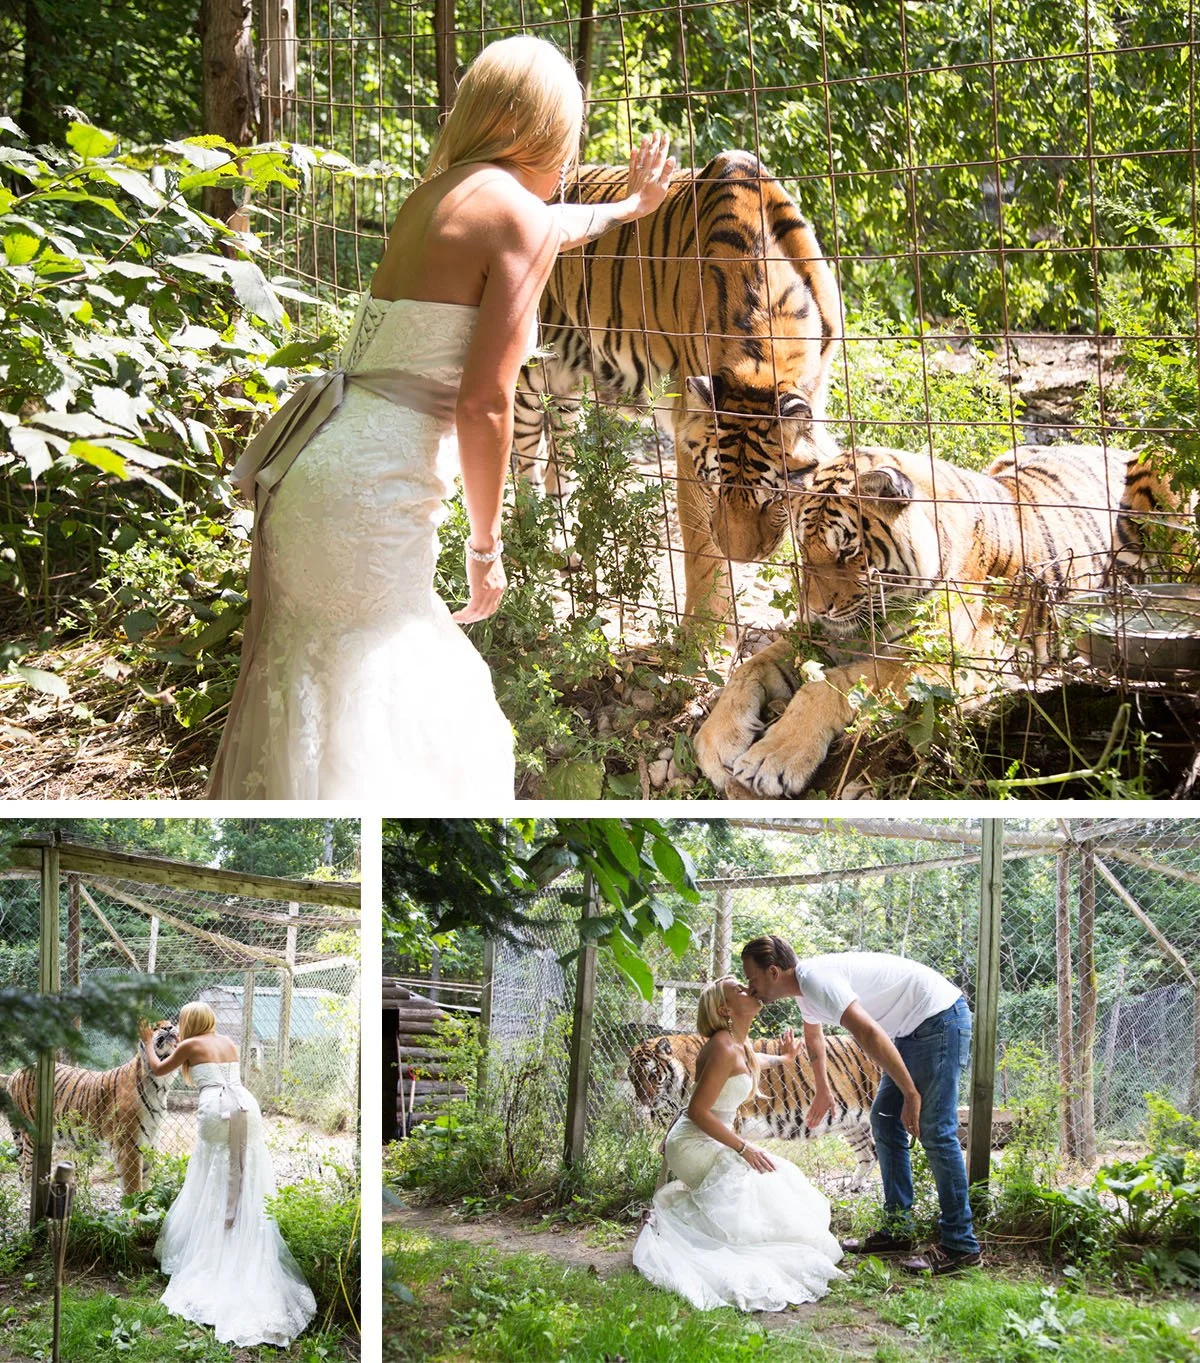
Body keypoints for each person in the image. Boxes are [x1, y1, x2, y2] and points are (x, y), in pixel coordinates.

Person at [206, 34, 675, 800]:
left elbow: (553, 226)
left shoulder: (434, 194)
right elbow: (485, 402)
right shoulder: (516, 216)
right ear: (540, 125)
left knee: (324, 696)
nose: (573, 146)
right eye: (570, 127)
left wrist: (632, 205)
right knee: (418, 714)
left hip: (316, 470)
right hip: (370, 504)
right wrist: (486, 549)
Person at [740, 936, 983, 1275]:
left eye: (752, 979)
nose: (750, 988)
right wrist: (823, 1090)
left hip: (939, 1018)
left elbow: (868, 1033)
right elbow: (814, 1039)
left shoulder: (815, 980)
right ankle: (898, 1231)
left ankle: (961, 1244)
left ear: (773, 971)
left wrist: (911, 1094)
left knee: (935, 1130)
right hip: (912, 1030)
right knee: (884, 1121)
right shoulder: (805, 992)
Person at [631, 975, 844, 1311]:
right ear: (725, 1008)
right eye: (739, 990)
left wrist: (784, 1060)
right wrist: (743, 1147)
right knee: (751, 1181)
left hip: (713, 1139)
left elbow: (750, 1062)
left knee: (774, 1179)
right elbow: (697, 1111)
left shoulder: (736, 1044)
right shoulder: (721, 1046)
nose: (750, 989)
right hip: (693, 1142)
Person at [138, 1003, 316, 1347]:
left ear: (189, 1023)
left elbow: (159, 1069)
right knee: (243, 1170)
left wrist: (149, 1041)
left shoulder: (189, 1046)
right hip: (248, 1109)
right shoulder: (229, 1042)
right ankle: (240, 1235)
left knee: (213, 1172)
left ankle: (215, 1245)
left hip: (216, 1112)